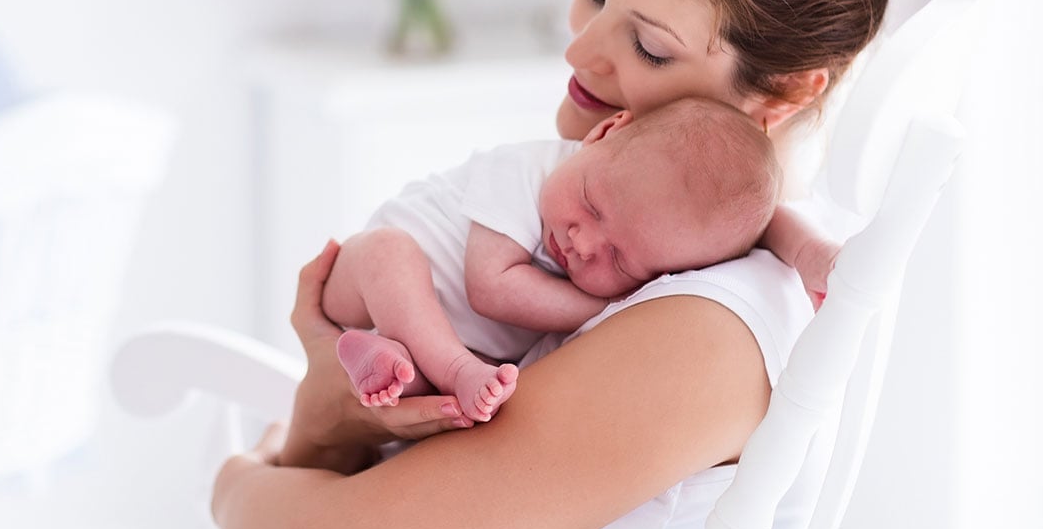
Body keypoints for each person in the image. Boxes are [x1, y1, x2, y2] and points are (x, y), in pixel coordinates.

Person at [213, 0, 936, 529]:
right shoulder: (627, 236)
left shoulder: (708, 328)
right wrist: (324, 412)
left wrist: (234, 485)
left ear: (781, 91)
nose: (580, 46)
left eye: (651, 47)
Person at [325, 98, 784, 422]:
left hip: (439, 350)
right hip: (363, 287)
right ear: (603, 134)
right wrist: (612, 304)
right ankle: (442, 367)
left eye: (620, 259)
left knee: (484, 384)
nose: (583, 243)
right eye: (592, 205)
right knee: (388, 250)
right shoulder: (524, 169)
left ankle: (394, 369)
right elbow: (490, 287)